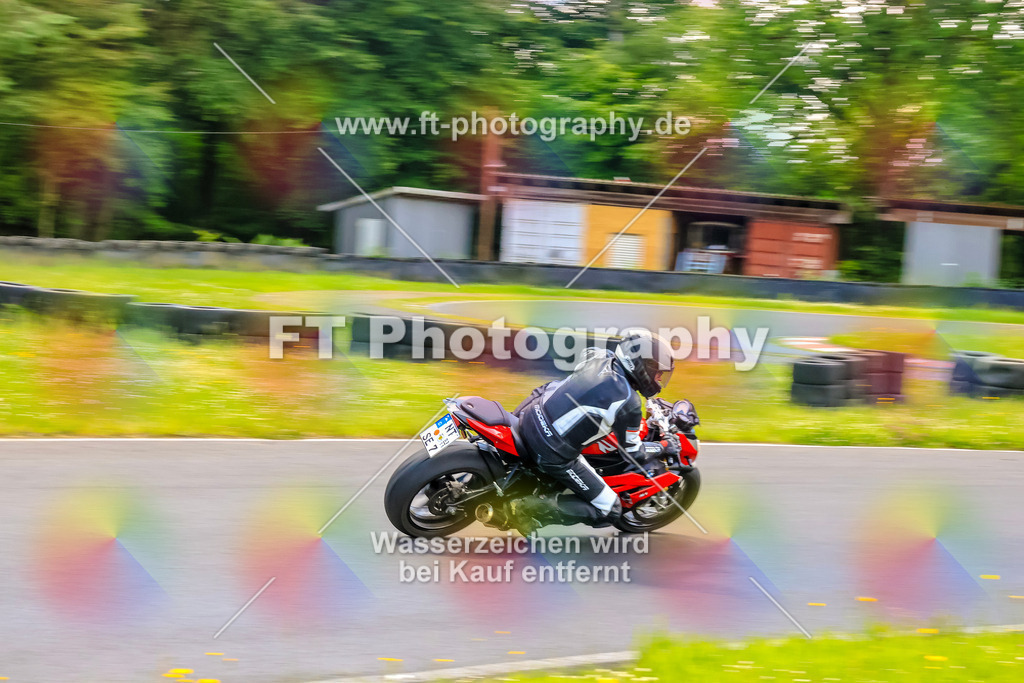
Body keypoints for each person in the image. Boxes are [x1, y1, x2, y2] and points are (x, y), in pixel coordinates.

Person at [509, 330, 676, 535]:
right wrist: (664, 446)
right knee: (610, 509)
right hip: (551, 450)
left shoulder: (599, 356)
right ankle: (526, 509)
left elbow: (585, 361)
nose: (659, 379)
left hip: (530, 413)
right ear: (642, 366)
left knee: (553, 388)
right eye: (658, 373)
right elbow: (633, 453)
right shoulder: (629, 403)